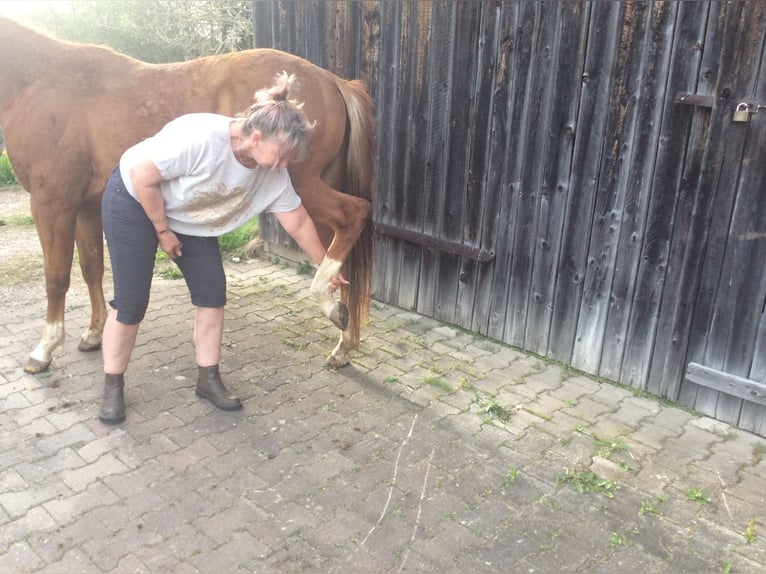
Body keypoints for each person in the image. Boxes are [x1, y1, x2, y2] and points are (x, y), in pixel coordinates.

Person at [98, 72, 345, 425]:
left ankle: (208, 379)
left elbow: (300, 222)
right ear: (256, 136)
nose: (283, 165)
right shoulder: (201, 137)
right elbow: (143, 175)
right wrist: (163, 232)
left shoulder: (272, 173)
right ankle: (112, 386)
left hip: (190, 215)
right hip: (135, 200)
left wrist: (326, 269)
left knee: (212, 293)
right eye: (282, 155)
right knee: (131, 300)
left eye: (290, 159)